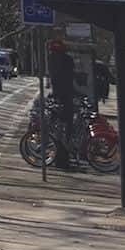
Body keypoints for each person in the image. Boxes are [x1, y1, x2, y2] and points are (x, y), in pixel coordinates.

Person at [46, 39, 80, 169]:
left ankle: (61, 156)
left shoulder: (52, 59)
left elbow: (55, 77)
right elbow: (67, 78)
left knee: (60, 129)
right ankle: (63, 157)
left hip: (61, 97)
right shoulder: (67, 60)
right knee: (65, 129)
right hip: (66, 98)